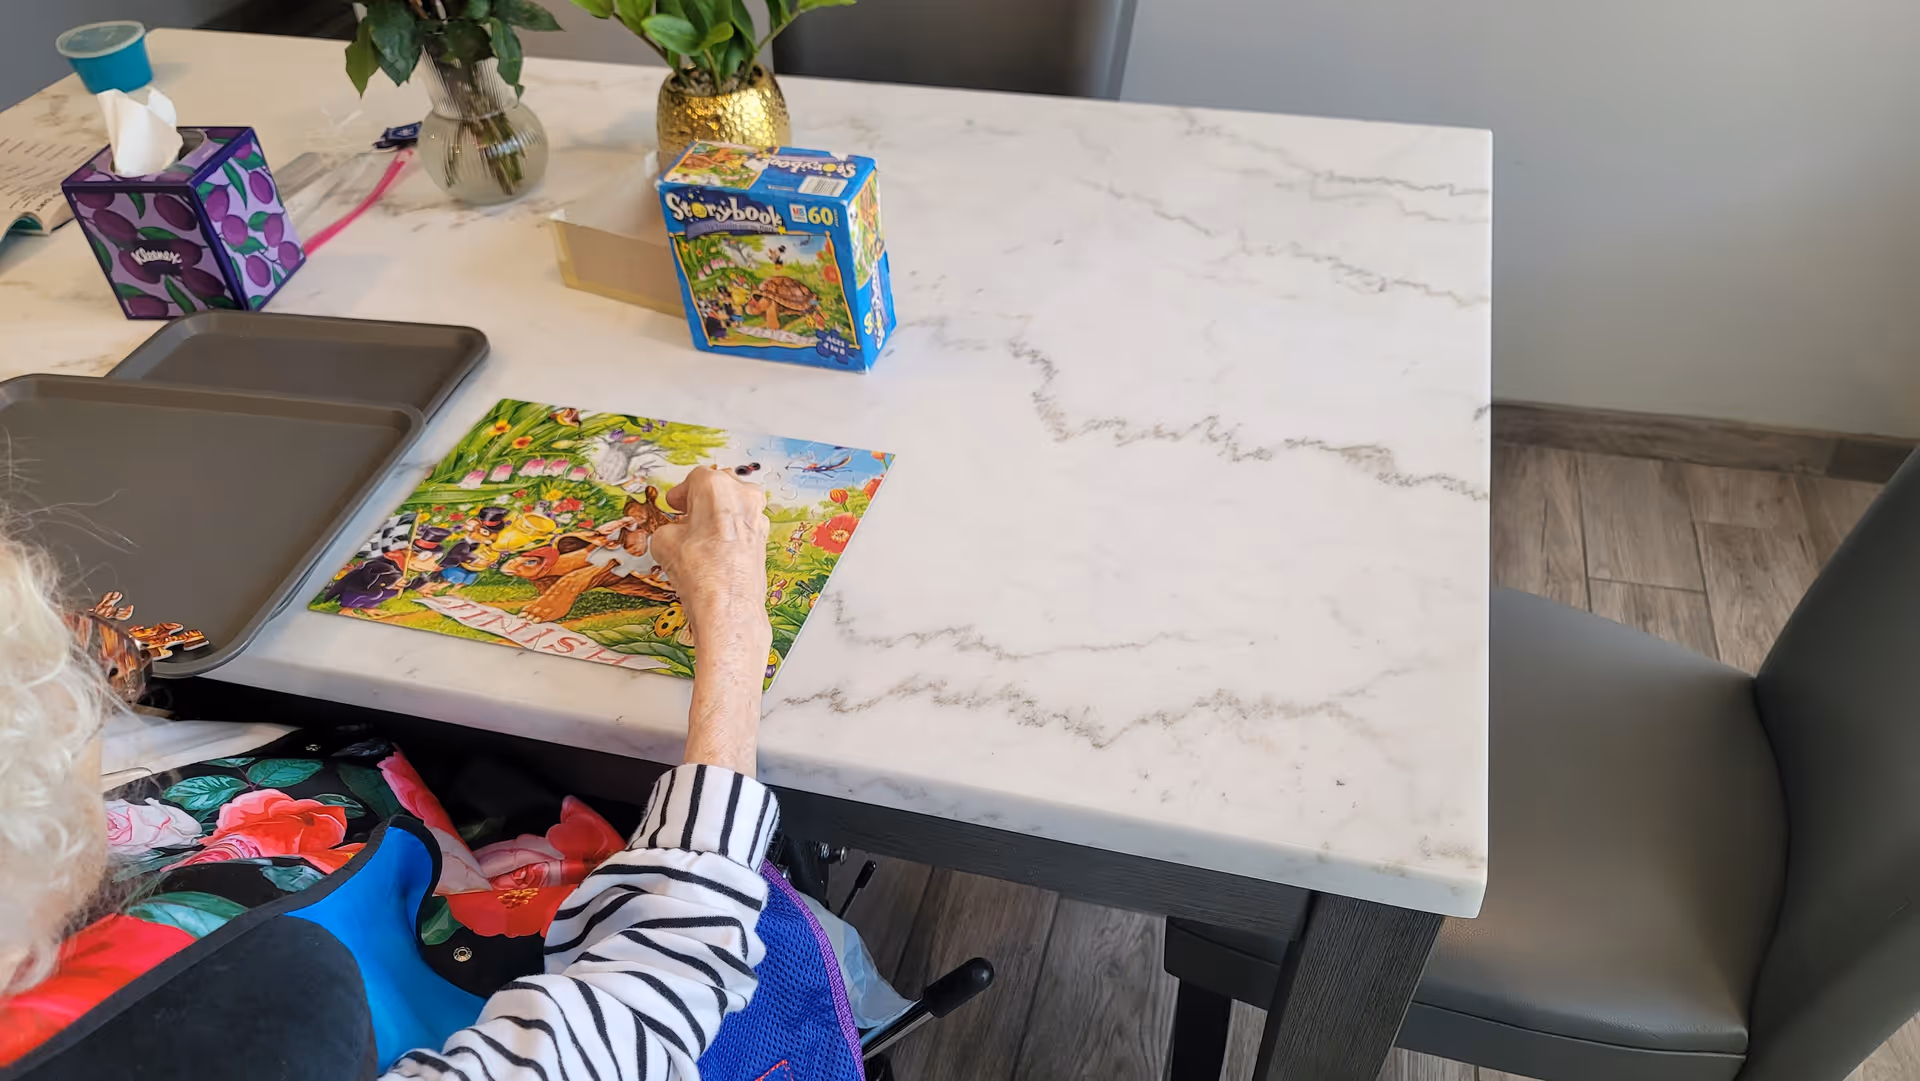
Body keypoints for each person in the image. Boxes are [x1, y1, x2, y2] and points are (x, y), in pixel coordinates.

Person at [0, 467, 858, 1080]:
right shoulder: (251, 1020)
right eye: (58, 712)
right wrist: (737, 621)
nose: (80, 714)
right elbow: (660, 981)